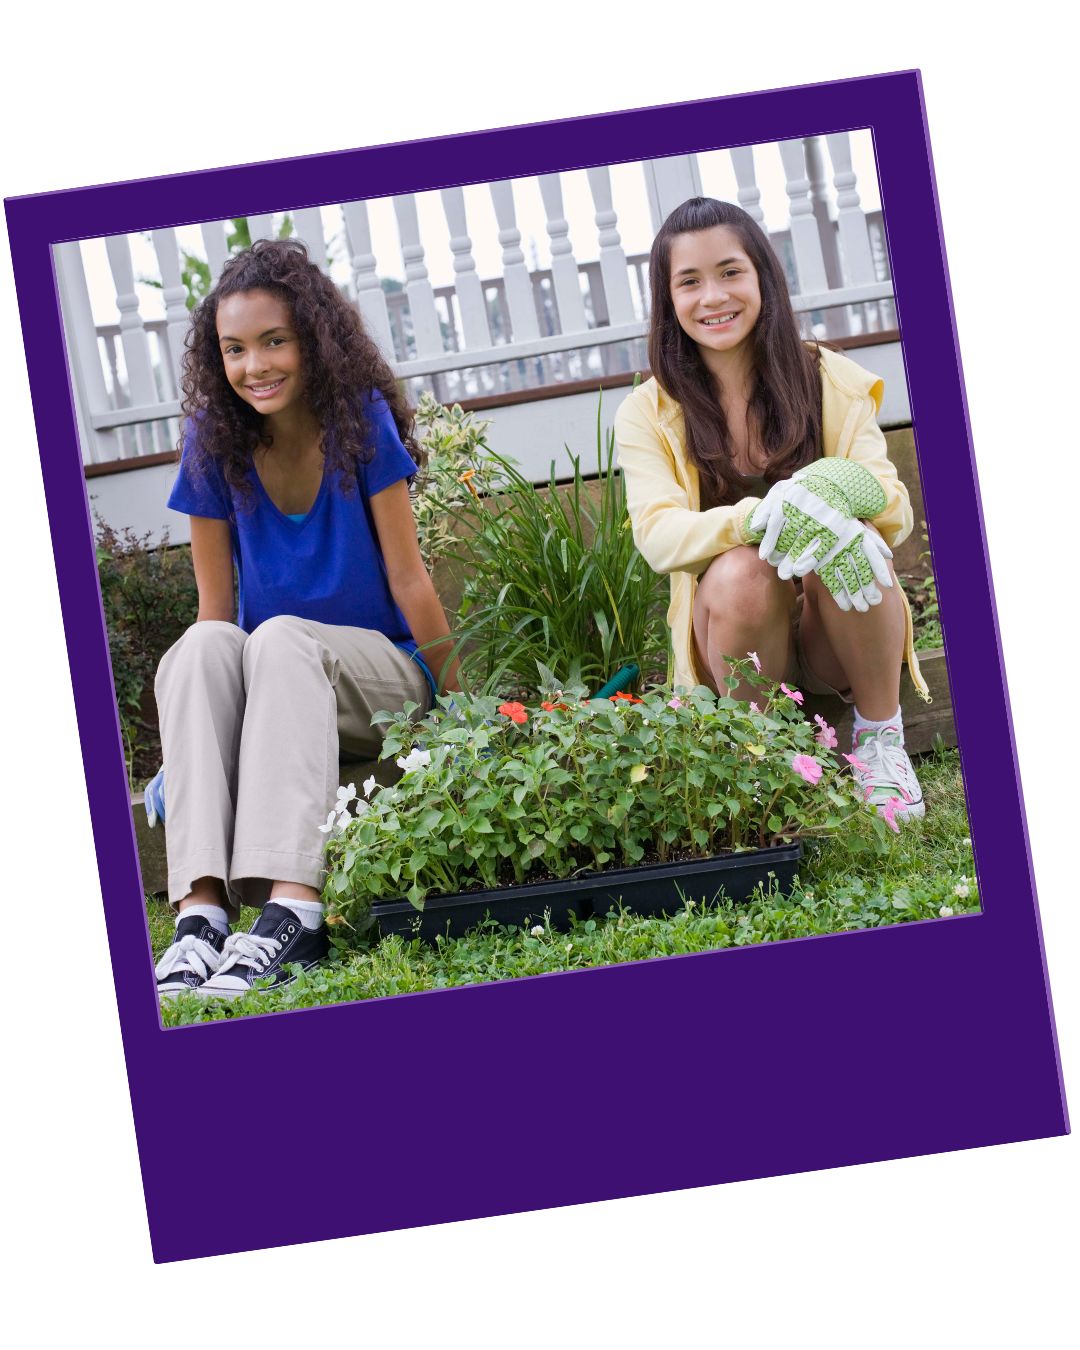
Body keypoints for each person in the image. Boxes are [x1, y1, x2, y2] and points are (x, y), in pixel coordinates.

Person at [152, 239, 459, 1000]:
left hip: (380, 677)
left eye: (273, 341)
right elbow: (216, 619)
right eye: (235, 349)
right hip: (277, 680)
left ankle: (296, 910)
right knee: (200, 649)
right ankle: (200, 917)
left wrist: (460, 705)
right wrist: (193, 743)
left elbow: (410, 577)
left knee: (282, 636)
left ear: (312, 342)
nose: (255, 365)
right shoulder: (211, 444)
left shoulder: (359, 420)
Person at [615, 197, 929, 823]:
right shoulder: (647, 412)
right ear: (668, 299)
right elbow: (657, 536)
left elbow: (892, 503)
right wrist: (758, 518)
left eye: (730, 272)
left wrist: (830, 495)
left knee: (849, 538)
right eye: (689, 281)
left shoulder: (829, 378)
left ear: (762, 275)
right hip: (739, 643)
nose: (713, 297)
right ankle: (764, 759)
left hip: (833, 636)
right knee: (741, 569)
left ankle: (881, 742)